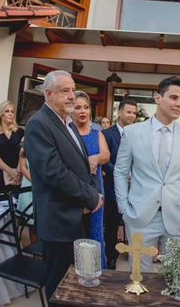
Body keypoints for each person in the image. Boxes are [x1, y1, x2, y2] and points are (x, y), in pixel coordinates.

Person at [24, 70, 102, 304]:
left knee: (74, 282)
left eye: (73, 89)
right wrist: (90, 197)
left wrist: (94, 191)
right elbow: (54, 173)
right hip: (58, 220)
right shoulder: (38, 123)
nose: (72, 96)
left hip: (75, 215)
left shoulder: (66, 122)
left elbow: (84, 163)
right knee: (59, 285)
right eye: (64, 91)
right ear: (48, 94)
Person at [114, 76, 180, 273]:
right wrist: (123, 207)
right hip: (140, 215)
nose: (179, 104)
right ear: (157, 98)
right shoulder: (132, 132)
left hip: (177, 215)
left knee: (178, 276)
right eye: (173, 98)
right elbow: (120, 171)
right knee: (139, 276)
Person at [73, 91, 109, 268]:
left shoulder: (97, 133)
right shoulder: (68, 133)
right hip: (74, 188)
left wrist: (95, 159)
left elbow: (106, 155)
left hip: (96, 188)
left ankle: (97, 270)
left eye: (86, 107)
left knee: (95, 231)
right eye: (78, 107)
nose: (82, 111)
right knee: (76, 231)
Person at [101, 98, 137, 270]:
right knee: (112, 224)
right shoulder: (107, 134)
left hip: (135, 188)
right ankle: (111, 256)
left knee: (134, 222)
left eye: (134, 113)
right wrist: (121, 174)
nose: (132, 116)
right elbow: (104, 159)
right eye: (128, 112)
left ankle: (133, 253)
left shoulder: (138, 134)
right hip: (112, 186)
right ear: (119, 112)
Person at [0, 101, 23, 194]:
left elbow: (24, 152)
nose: (10, 114)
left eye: (12, 111)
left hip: (17, 174)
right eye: (7, 111)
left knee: (15, 203)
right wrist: (10, 171)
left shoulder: (20, 132)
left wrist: (18, 171)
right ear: (1, 113)